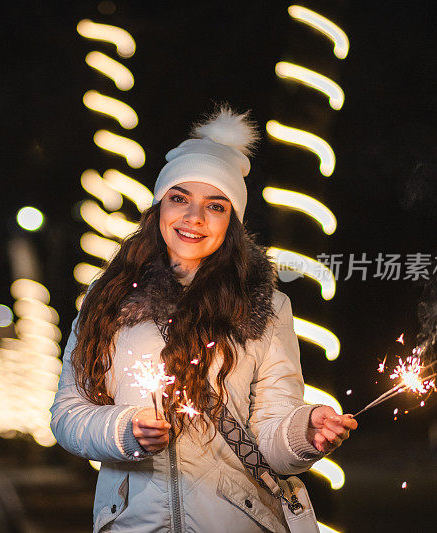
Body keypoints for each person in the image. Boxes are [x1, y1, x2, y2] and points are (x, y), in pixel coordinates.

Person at [50, 105, 357, 533]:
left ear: (232, 221)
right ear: (158, 207)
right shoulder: (106, 304)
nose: (193, 218)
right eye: (179, 198)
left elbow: (270, 436)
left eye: (215, 206)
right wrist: (124, 431)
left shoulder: (265, 308)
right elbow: (67, 415)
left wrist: (305, 432)